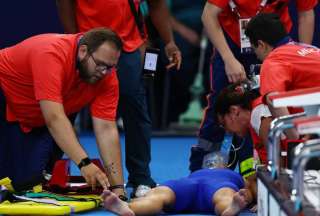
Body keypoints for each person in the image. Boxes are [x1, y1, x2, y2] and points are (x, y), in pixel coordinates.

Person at [56, 0, 182, 197]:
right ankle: (46, 170)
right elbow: (64, 4)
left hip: (126, 49)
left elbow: (157, 5)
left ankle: (141, 178)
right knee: (66, 109)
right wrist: (76, 42)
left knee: (136, 110)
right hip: (86, 48)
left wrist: (169, 42)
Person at [189, 0, 317, 172]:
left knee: (260, 109)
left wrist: (297, 145)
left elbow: (306, 13)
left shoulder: (274, 63)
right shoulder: (310, 52)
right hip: (231, 42)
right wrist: (228, 59)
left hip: (271, 40)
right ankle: (202, 171)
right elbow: (208, 14)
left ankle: (255, 169)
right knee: (220, 106)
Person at [0, 28, 125, 197]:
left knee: (26, 184)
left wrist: (118, 189)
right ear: (83, 51)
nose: (104, 72)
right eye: (101, 64)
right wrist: (84, 163)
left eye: (110, 67)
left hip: (38, 114)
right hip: (6, 95)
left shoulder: (107, 77)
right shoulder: (51, 54)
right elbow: (54, 118)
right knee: (9, 182)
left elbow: (106, 129)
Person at [102, 154, 256, 216]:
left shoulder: (236, 176)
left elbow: (250, 188)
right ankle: (231, 208)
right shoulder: (231, 175)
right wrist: (250, 196)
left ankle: (130, 207)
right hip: (198, 185)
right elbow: (249, 190)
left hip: (191, 185)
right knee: (160, 194)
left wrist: (251, 196)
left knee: (159, 195)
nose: (215, 164)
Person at [245, 13, 320, 138]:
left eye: (254, 49)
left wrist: (295, 140)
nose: (256, 56)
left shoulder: (274, 60)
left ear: (261, 45)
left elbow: (274, 100)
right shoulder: (310, 48)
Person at [214, 81, 273, 164]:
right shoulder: (256, 118)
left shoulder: (259, 114)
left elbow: (277, 170)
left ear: (234, 111)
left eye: (224, 124)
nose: (227, 130)